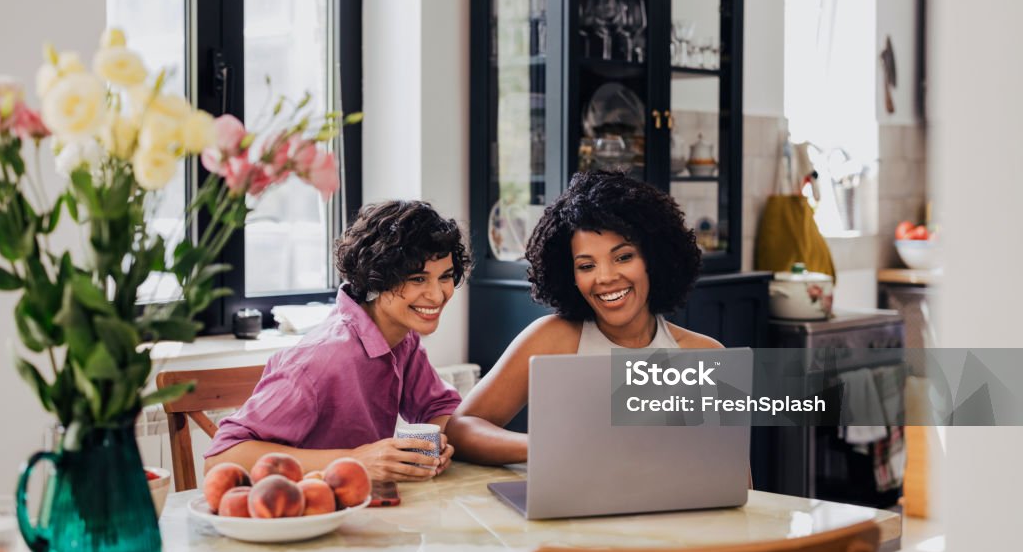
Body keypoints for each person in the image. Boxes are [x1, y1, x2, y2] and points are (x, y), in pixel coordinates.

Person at [447, 171, 721, 465]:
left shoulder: (706, 355)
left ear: (653, 260)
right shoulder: (551, 339)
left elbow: (731, 473)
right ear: (570, 275)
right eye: (586, 265)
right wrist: (548, 446)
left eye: (623, 257)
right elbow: (461, 429)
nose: (604, 278)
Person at [204, 200, 471, 482]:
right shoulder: (321, 360)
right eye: (418, 279)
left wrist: (436, 446)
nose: (437, 295)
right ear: (378, 277)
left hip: (360, 506)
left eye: (445, 277)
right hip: (297, 514)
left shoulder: (402, 338)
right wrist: (357, 460)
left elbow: (439, 410)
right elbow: (221, 459)